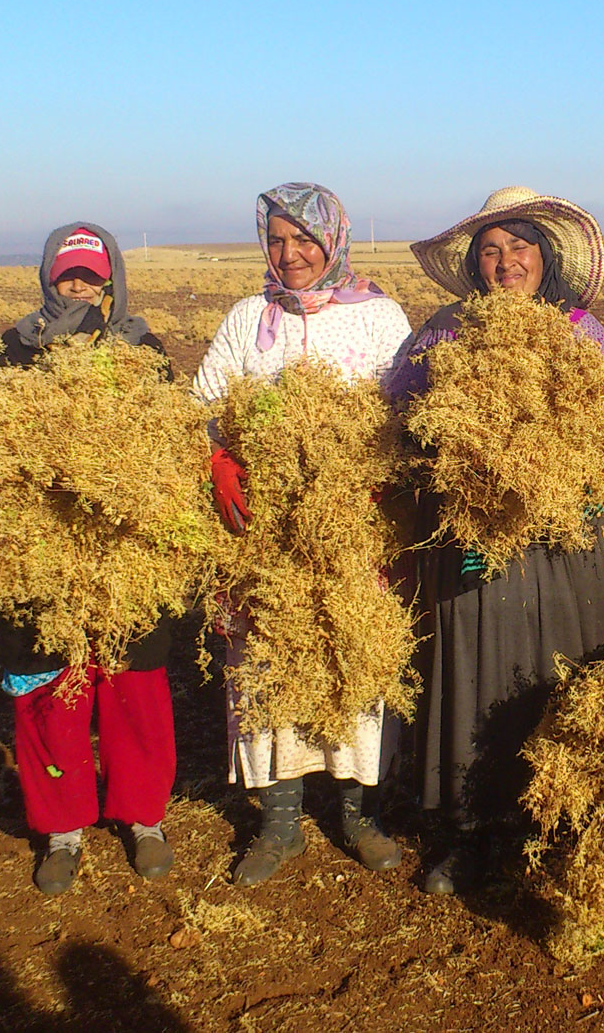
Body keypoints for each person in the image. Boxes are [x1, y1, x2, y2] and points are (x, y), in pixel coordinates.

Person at [387, 186, 604, 895]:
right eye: (490, 250)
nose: (505, 263)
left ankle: (552, 821)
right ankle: (471, 829)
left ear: (544, 255)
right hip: (473, 536)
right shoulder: (443, 332)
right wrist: (455, 465)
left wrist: (570, 473)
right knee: (471, 672)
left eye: (518, 248)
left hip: (566, 542)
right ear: (474, 263)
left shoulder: (583, 332)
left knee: (558, 670)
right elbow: (400, 418)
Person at [192, 182, 413, 885]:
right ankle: (279, 820)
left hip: (353, 527)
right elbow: (202, 405)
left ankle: (358, 814)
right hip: (265, 533)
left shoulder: (380, 317)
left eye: (304, 239)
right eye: (278, 240)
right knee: (264, 662)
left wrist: (381, 473)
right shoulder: (248, 317)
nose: (290, 254)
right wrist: (218, 456)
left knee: (354, 654)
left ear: (334, 240)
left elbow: (411, 410)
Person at [0, 223, 178, 895]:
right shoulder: (16, 348)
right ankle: (62, 828)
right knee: (52, 688)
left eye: (91, 277)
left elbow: (170, 435)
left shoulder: (140, 346)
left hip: (127, 550)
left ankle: (143, 817)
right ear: (48, 277)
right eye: (67, 276)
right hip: (44, 550)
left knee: (133, 687)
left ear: (112, 281)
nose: (79, 287)